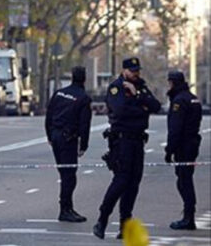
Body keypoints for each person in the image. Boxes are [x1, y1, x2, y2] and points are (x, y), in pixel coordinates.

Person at [93, 57, 161, 240]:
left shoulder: (140, 87)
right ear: (124, 71)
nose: (136, 73)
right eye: (132, 71)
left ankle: (125, 225)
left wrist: (138, 96)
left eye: (137, 70)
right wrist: (142, 109)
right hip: (122, 141)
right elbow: (121, 111)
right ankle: (102, 219)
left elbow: (156, 106)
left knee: (133, 184)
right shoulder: (117, 87)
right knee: (121, 181)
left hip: (138, 141)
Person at [44, 66, 92, 223]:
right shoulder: (83, 98)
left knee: (63, 174)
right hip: (68, 139)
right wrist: (83, 145)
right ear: (85, 79)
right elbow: (84, 125)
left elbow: (49, 115)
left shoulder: (59, 93)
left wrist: (49, 136)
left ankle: (67, 207)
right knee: (69, 176)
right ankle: (65, 209)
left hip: (56, 136)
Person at [164, 70, 203, 230]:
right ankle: (189, 215)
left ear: (172, 82)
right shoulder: (193, 98)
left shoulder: (179, 101)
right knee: (186, 179)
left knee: (184, 181)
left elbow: (175, 129)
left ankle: (188, 217)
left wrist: (169, 150)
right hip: (193, 143)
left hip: (183, 145)